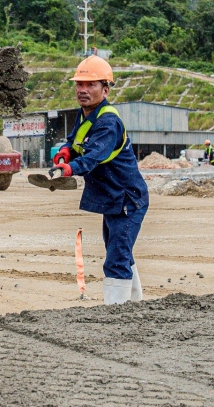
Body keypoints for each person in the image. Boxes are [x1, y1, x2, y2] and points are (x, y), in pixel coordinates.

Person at [52, 55, 149, 305]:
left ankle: (115, 312)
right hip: (113, 196)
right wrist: (66, 152)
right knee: (118, 250)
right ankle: (135, 304)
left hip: (127, 198)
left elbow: (94, 156)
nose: (83, 90)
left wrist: (69, 169)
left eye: (91, 85)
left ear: (105, 89)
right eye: (79, 85)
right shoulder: (85, 114)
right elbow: (76, 141)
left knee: (116, 256)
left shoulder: (108, 122)